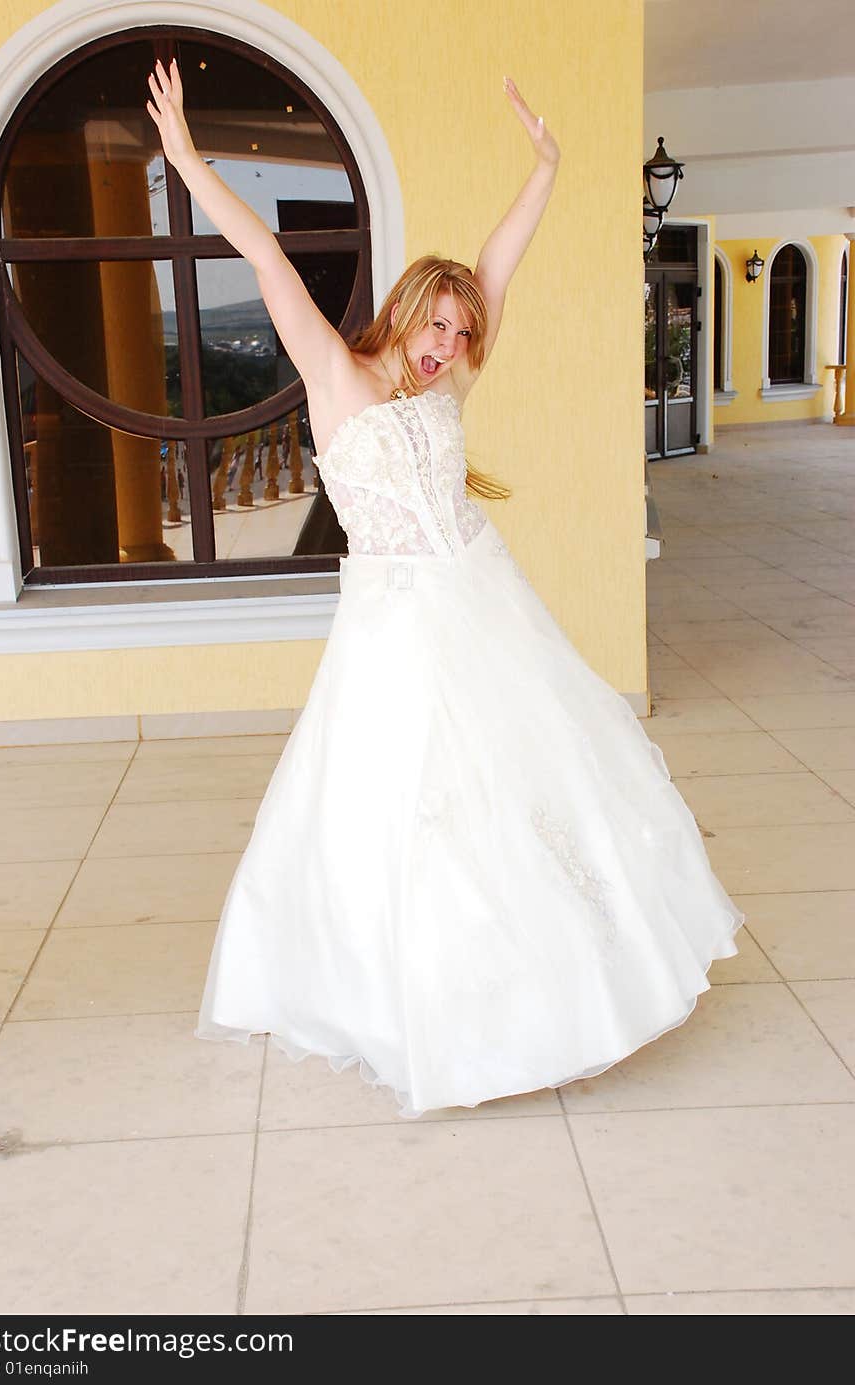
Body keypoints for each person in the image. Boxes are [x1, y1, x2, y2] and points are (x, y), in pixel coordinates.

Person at [147, 59, 745, 1119]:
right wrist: (187, 158)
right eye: (441, 325)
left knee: (532, 788)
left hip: (478, 597)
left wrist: (547, 169)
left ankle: (568, 974)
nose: (452, 347)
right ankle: (441, 1000)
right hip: (394, 625)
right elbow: (263, 253)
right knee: (408, 811)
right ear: (408, 307)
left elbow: (500, 264)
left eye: (465, 333)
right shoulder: (337, 375)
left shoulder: (450, 376)